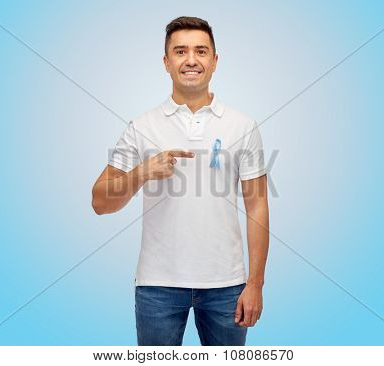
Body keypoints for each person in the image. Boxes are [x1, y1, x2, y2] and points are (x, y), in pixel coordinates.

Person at [92, 16, 269, 346]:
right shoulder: (141, 126)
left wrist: (255, 283)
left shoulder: (243, 125)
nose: (191, 60)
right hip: (157, 287)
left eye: (201, 51)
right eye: (180, 51)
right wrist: (142, 172)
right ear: (166, 62)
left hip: (227, 285)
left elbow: (257, 204)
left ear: (215, 61)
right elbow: (100, 202)